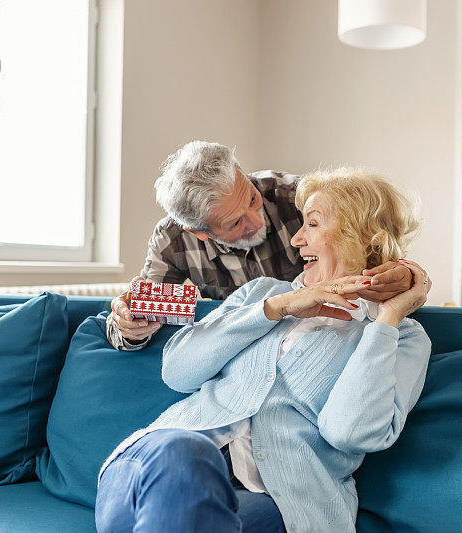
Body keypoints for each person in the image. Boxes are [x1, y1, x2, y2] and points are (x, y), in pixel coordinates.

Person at [95, 167, 432, 532]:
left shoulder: (402, 337)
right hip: (159, 463)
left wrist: (386, 320)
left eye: (313, 225)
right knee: (185, 455)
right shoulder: (261, 293)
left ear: (363, 236)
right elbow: (177, 370)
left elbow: (349, 432)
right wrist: (276, 308)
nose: (297, 239)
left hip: (279, 500)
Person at [105, 140, 429, 351]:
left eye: (252, 198)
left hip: (321, 340)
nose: (256, 220)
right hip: (245, 355)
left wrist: (404, 275)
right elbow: (139, 310)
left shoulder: (296, 195)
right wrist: (129, 327)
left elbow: (376, 242)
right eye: (235, 223)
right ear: (199, 232)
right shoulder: (174, 241)